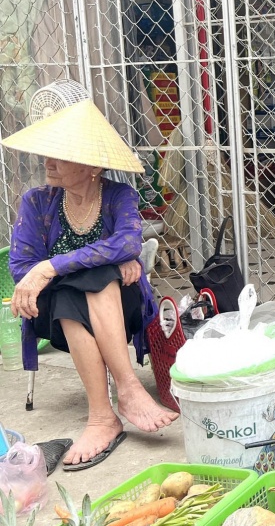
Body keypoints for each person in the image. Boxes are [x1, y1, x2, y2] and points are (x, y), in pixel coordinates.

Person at [4, 99, 178, 470]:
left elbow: (128, 243)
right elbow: (21, 267)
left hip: (119, 310)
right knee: (79, 285)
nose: (48, 162)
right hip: (53, 314)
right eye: (48, 153)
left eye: (61, 155)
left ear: (93, 166)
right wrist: (104, 260)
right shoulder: (37, 202)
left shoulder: (119, 196)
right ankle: (126, 390)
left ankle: (104, 416)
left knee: (91, 280)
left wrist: (52, 265)